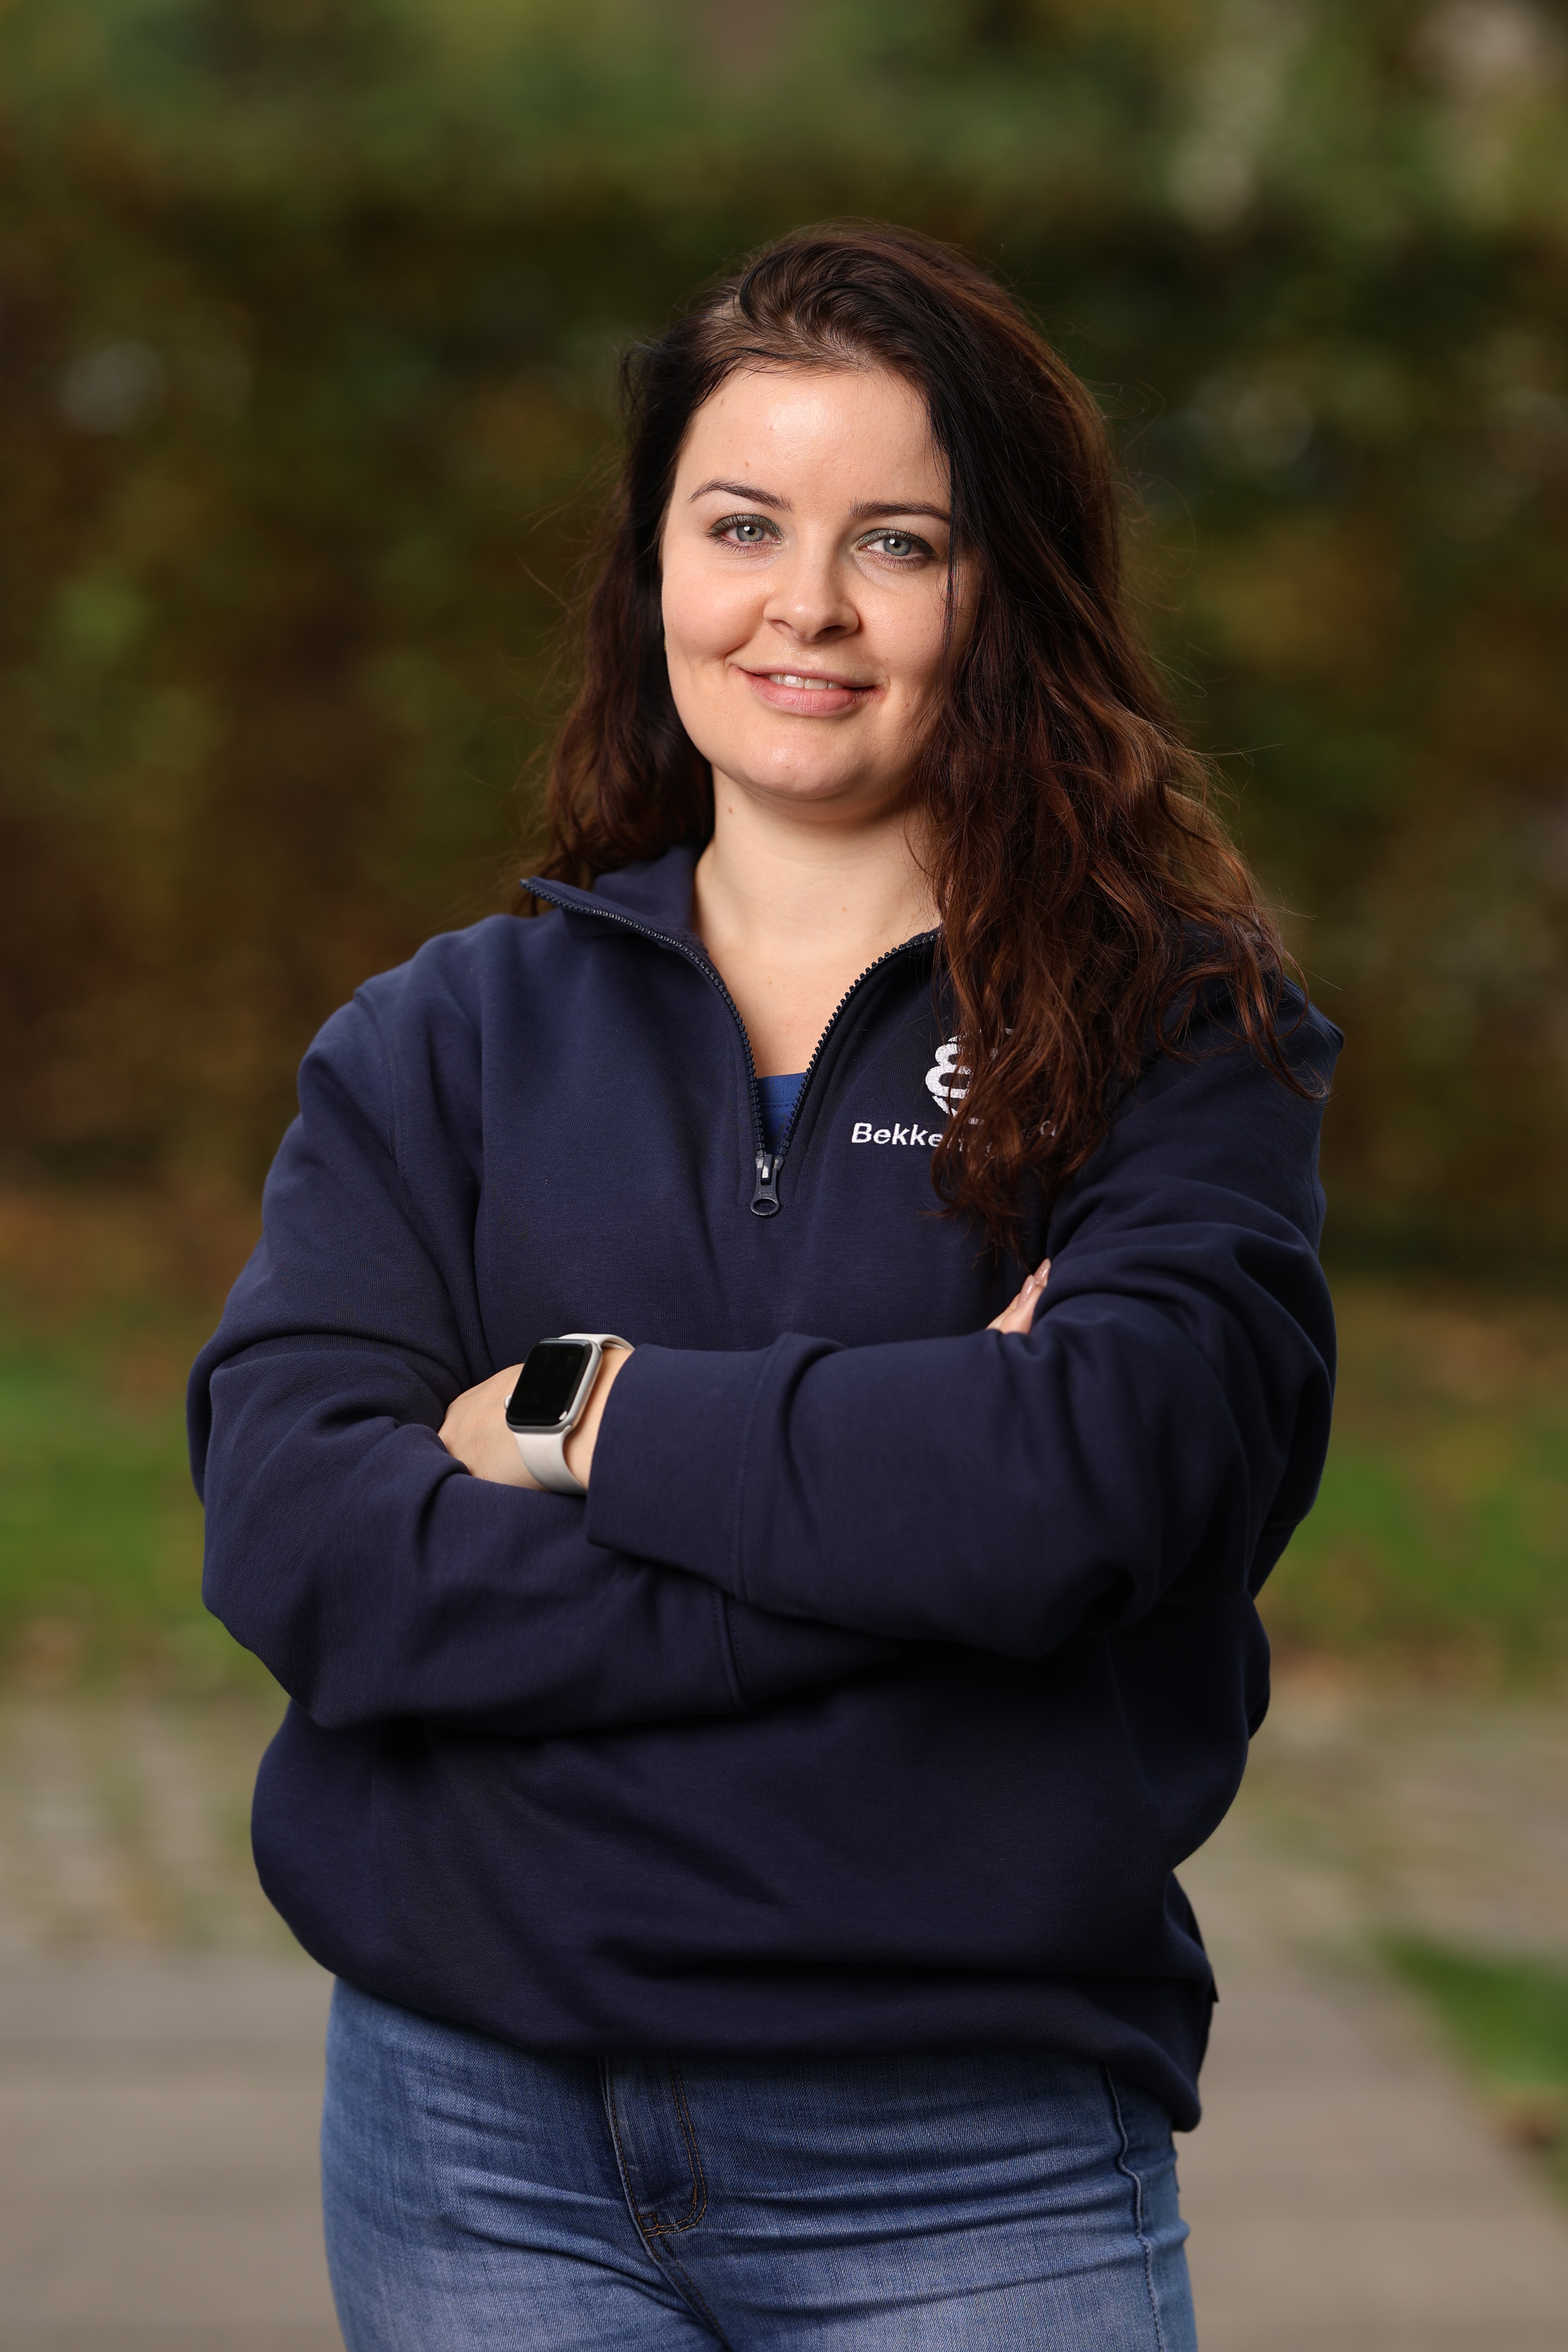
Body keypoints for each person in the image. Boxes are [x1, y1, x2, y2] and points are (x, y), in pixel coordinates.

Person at [190, 223, 1339, 2350]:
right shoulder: (438, 1045)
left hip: (969, 2165)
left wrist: (577, 1414)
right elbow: (298, 1538)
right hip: (475, 2148)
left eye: (894, 540)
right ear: (655, 573)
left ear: (1006, 594)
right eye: (743, 526)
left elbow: (1080, 1487)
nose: (803, 606)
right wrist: (896, 1555)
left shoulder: (1178, 1038)